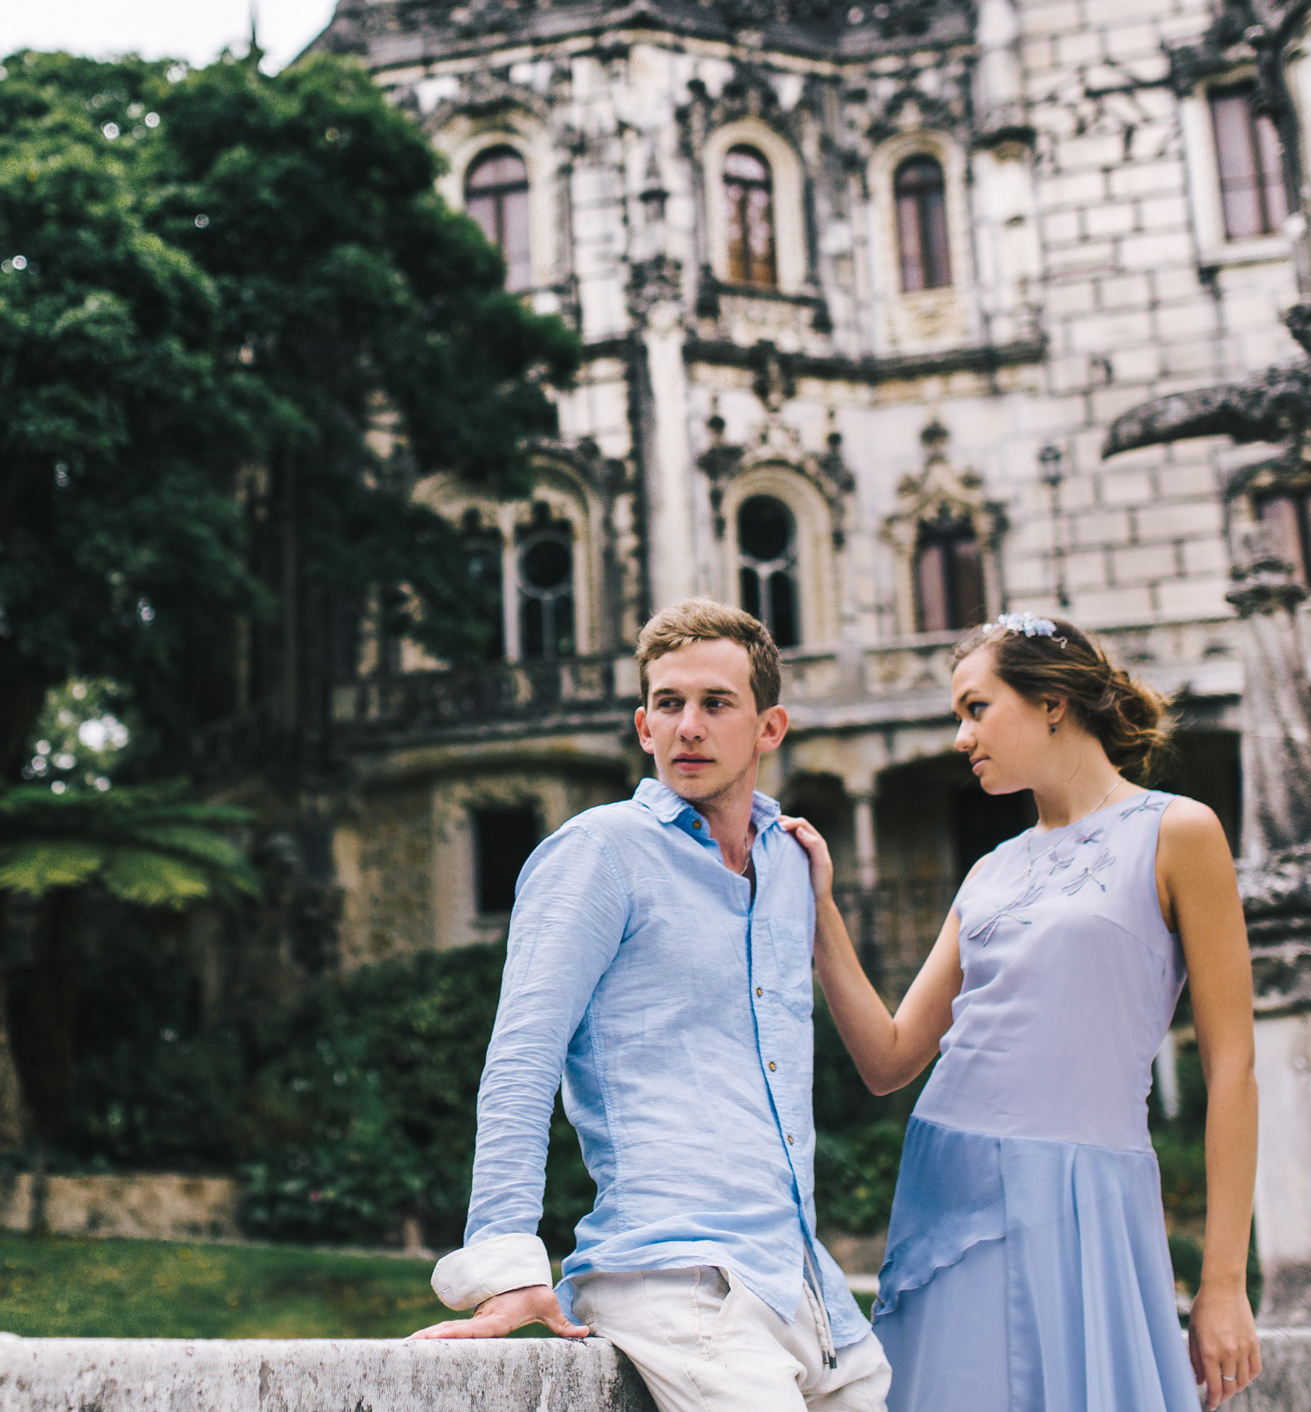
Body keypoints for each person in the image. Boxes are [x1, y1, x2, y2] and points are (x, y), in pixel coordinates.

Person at [413, 599, 890, 1412]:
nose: (688, 726)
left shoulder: (789, 863)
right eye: (668, 704)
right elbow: (523, 1054)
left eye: (715, 703)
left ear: (770, 728)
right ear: (642, 725)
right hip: (676, 1285)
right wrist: (509, 1261)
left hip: (803, 1288)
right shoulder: (599, 852)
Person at [790, 611, 1260, 1412]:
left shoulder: (1178, 832)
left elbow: (1233, 1068)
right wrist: (821, 911)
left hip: (1087, 1194)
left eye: (976, 708)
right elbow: (890, 1058)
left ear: (1051, 701)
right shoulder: (990, 872)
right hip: (947, 1187)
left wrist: (1223, 1284)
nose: (962, 736)